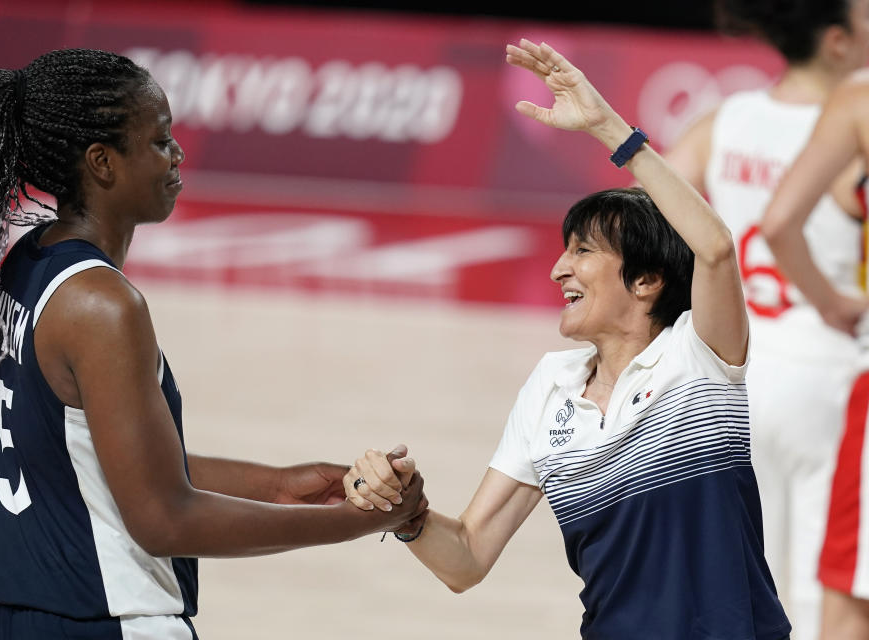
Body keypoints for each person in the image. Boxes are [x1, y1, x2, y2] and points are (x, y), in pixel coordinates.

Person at [0, 48, 427, 639]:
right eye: (159, 141)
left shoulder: (27, 264)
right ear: (102, 162)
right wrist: (353, 524)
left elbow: (98, 459)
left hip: (10, 617)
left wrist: (281, 486)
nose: (177, 155)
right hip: (105, 621)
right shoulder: (103, 306)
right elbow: (163, 518)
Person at [346, 39, 791, 640]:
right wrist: (407, 516)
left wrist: (609, 129)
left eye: (582, 251)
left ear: (647, 280)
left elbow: (712, 246)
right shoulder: (549, 389)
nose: (558, 270)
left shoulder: (698, 359)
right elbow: (469, 558)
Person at [662, 2, 869, 637]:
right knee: (820, 594)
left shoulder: (727, 118)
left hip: (729, 373)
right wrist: (831, 301)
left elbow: (649, 215)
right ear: (836, 42)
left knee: (746, 580)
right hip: (824, 371)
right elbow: (785, 226)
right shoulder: (855, 121)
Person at [762, 59, 869, 640]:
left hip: (767, 356)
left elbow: (778, 221)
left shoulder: (857, 99)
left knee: (836, 598)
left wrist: (831, 303)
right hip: (816, 372)